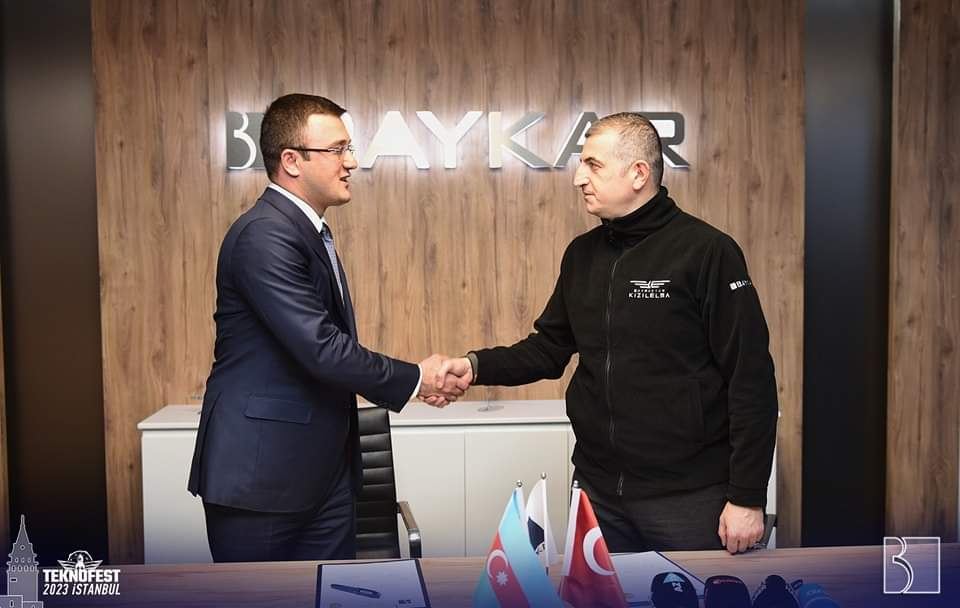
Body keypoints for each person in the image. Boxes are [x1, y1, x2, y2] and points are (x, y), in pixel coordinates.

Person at [434, 113, 778, 554]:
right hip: (597, 494)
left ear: (638, 173)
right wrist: (475, 366)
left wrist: (747, 496)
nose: (578, 178)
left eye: (593, 165)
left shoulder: (708, 252)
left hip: (688, 497)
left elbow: (750, 378)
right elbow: (548, 348)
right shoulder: (582, 255)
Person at [188, 93, 462, 562]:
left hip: (325, 477)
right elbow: (322, 348)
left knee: (332, 592)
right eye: (337, 150)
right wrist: (418, 378)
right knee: (262, 598)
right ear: (291, 161)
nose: (351, 162)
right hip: (262, 478)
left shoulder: (305, 232)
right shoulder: (264, 235)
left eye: (348, 148)